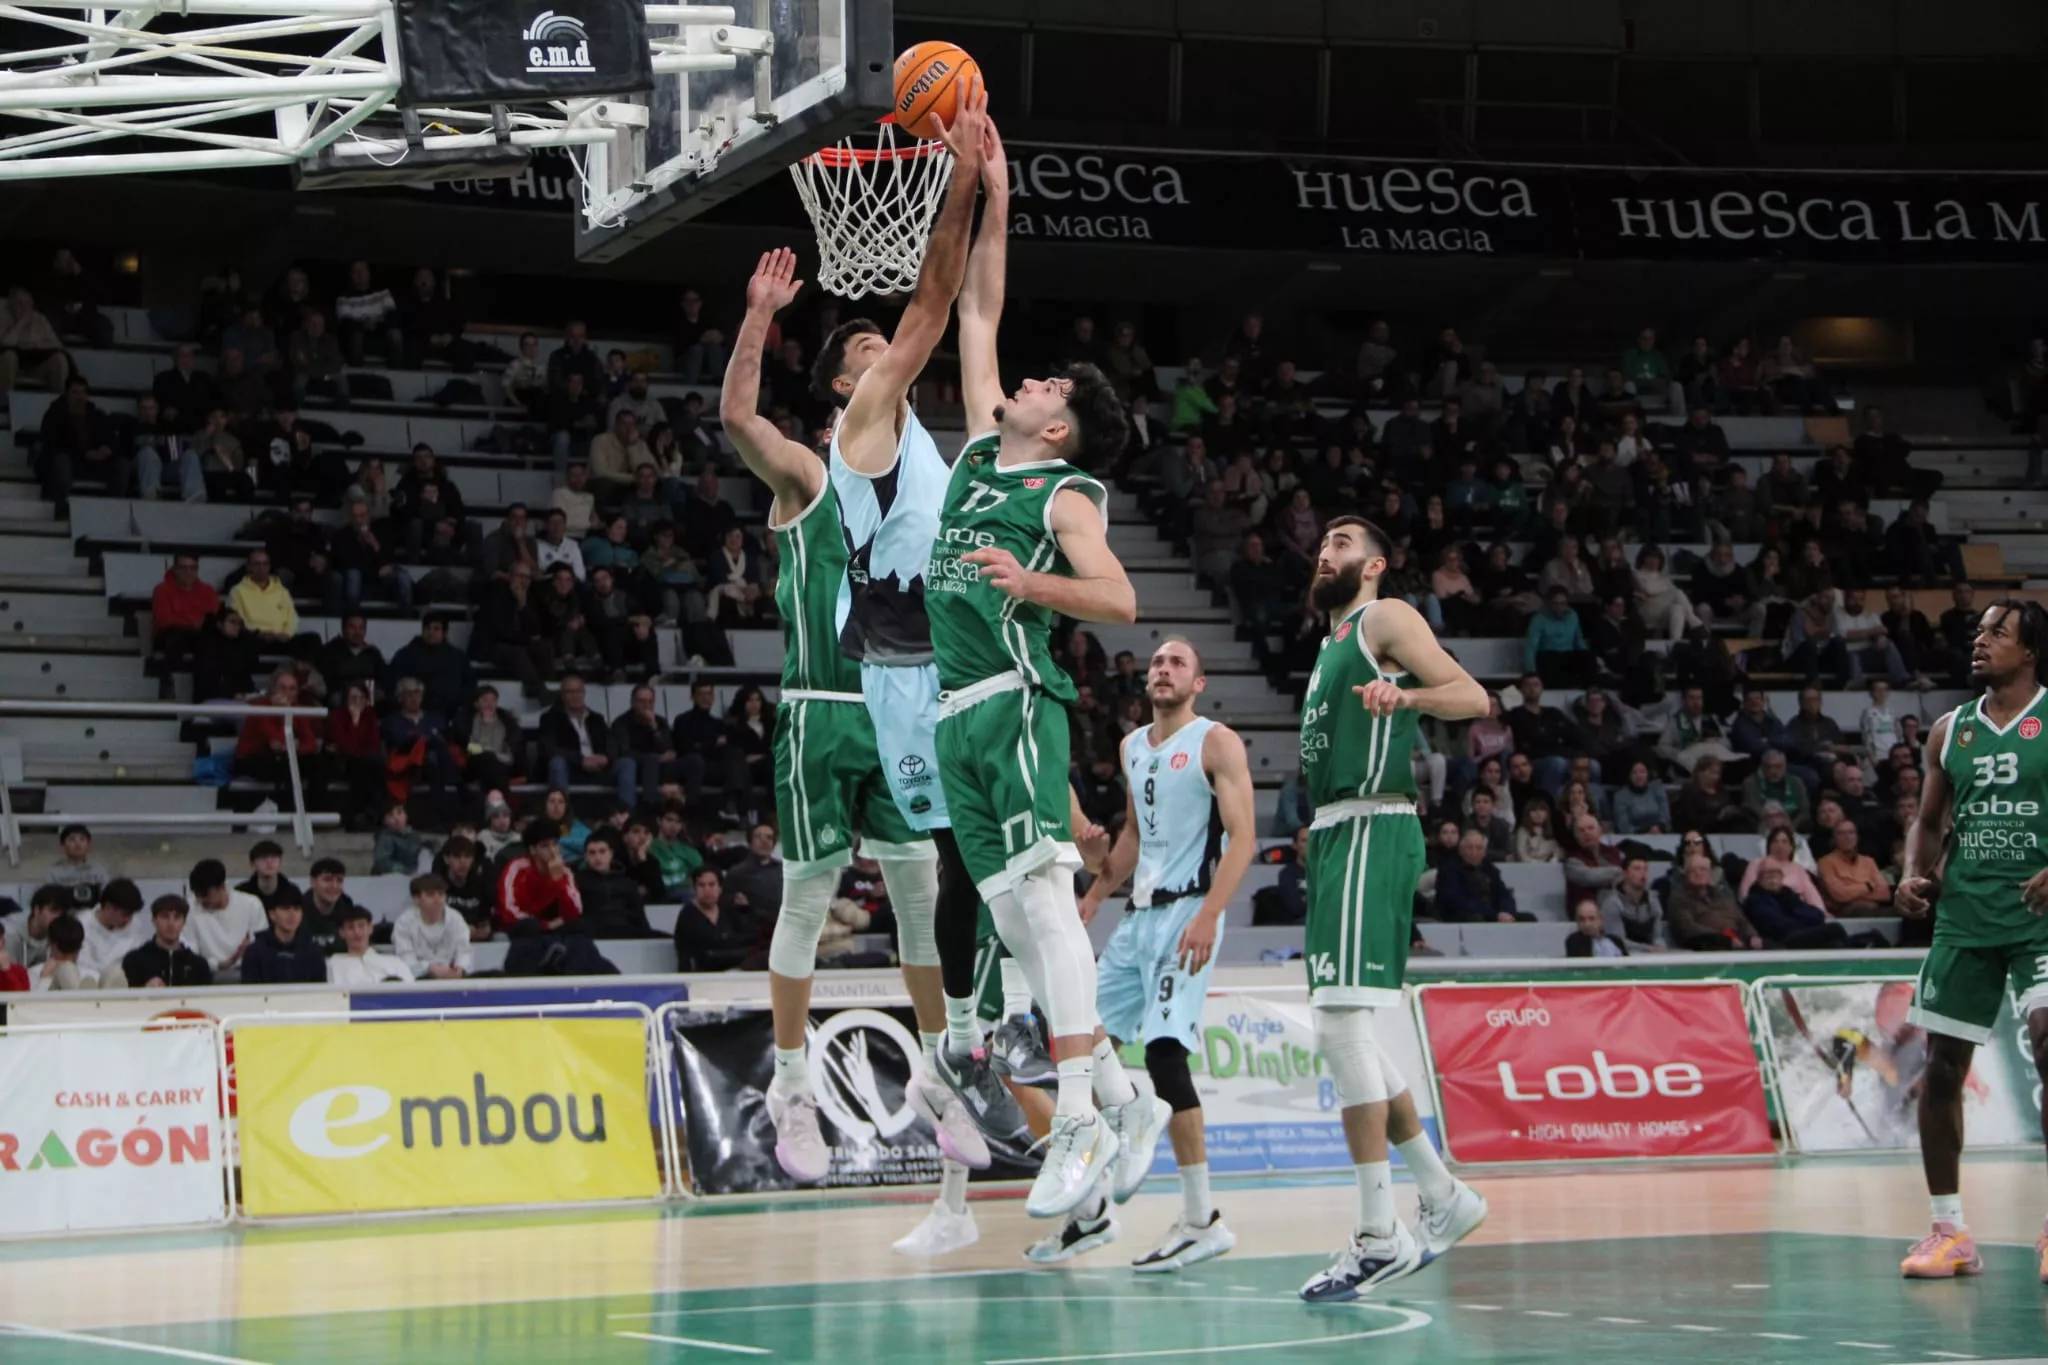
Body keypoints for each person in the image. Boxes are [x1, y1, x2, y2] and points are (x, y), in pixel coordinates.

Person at [930, 109, 1180, 1229]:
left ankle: (1079, 1111)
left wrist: (1027, 586)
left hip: (1019, 704)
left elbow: (1122, 600)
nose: (1024, 382)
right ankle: (1122, 1098)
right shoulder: (988, 443)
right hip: (953, 713)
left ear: (1064, 430)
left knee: (1045, 905)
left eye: (1046, 391)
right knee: (1021, 927)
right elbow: (977, 306)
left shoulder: (1064, 495)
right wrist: (990, 192)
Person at [720, 250, 985, 1224]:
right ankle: (790, 1084)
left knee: (921, 896)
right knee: (808, 896)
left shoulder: (922, 482)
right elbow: (737, 421)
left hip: (902, 707)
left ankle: (940, 1070)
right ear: (843, 385)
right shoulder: (808, 475)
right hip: (823, 714)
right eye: (869, 350)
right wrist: (757, 317)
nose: (891, 357)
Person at [1287, 516, 1490, 1301]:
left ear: (1374, 565)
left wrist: (1402, 692)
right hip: (1340, 833)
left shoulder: (1383, 617)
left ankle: (1378, 1232)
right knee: (1354, 1031)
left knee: (1342, 1027)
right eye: (1323, 543)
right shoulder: (1332, 643)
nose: (1325, 551)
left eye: (1341, 542)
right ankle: (1443, 1194)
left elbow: (1472, 695)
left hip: (1374, 824)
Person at [1049, 638, 1256, 1272]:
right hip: (1137, 919)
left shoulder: (1217, 741)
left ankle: (1201, 1220)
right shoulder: (1133, 746)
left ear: (1198, 682)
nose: (1163, 670)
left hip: (1190, 913)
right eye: (1157, 662)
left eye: (1177, 664)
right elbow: (1136, 834)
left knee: (1167, 1056)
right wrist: (1096, 891)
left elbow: (1243, 838)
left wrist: (1210, 914)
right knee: (1075, 1034)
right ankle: (1093, 1209)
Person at [1894, 598, 2048, 1278]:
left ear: (2031, 650)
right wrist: (1911, 873)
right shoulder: (1948, 730)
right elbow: (1928, 821)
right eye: (1979, 631)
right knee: (1943, 1070)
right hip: (1965, 916)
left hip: (2038, 919)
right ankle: (1949, 1229)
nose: (1979, 641)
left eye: (1997, 632)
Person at [183, 857, 265, 983]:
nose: (200, 901)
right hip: (206, 974)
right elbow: (189, 952)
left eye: (205, 895)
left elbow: (261, 947)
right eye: (197, 895)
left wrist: (238, 960)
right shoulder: (190, 909)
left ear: (222, 887)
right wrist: (219, 964)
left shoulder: (251, 904)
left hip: (246, 973)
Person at [1665, 854, 1762, 952]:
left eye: (1703, 869)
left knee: (1768, 945)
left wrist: (1752, 936)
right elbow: (1688, 928)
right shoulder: (1678, 898)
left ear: (1710, 873)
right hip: (1705, 944)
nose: (1698, 873)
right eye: (1693, 870)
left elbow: (1742, 921)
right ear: (1686, 874)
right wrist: (1725, 938)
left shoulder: (1722, 895)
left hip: (1736, 939)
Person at [1743, 861, 1846, 950]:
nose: (1773, 880)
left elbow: (1817, 915)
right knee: (1835, 929)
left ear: (1782, 877)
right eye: (1768, 876)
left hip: (1801, 933)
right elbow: (1777, 926)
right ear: (1759, 880)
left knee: (1838, 944)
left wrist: (1794, 913)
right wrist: (1800, 918)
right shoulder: (1756, 899)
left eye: (1776, 875)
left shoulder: (1788, 894)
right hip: (1780, 942)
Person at [119, 896, 213, 989]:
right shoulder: (134, 960)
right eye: (165, 916)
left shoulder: (198, 965)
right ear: (154, 920)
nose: (171, 923)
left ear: (184, 922)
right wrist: (144, 990)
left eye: (177, 917)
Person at [240, 888, 330, 984]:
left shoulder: (313, 951)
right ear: (272, 914)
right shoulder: (255, 952)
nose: (292, 914)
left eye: (296, 909)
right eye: (285, 908)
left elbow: (320, 991)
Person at [392, 874, 472, 980]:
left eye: (441, 894)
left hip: (452, 977)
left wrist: (459, 968)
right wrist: (429, 968)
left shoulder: (456, 919)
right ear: (416, 899)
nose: (437, 899)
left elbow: (464, 950)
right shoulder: (404, 922)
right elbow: (405, 957)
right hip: (417, 980)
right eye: (431, 895)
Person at [673, 867, 751, 971]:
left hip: (733, 971)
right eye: (701, 885)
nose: (707, 890)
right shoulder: (687, 915)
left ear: (720, 888)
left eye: (711, 884)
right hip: (699, 974)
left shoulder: (729, 911)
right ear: (694, 889)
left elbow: (744, 939)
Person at [78, 879, 148, 985]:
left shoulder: (135, 925)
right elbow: (81, 964)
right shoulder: (82, 924)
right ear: (108, 907)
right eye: (125, 914)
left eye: (131, 915)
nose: (129, 920)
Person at [325, 902, 414, 986]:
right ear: (342, 933)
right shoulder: (333, 965)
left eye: (361, 926)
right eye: (350, 928)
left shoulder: (394, 962)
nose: (357, 932)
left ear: (370, 928)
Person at [1599, 856, 1665, 947]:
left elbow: (1657, 936)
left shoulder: (1653, 900)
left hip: (1650, 955)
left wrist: (1659, 946)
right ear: (1625, 873)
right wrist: (1647, 948)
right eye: (1637, 869)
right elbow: (1618, 942)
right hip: (1623, 957)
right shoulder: (1612, 903)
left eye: (1645, 869)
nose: (1643, 873)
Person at [46, 822, 109, 904]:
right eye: (72, 839)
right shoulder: (53, 873)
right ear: (63, 846)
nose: (78, 844)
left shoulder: (98, 871)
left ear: (89, 845)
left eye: (82, 839)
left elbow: (107, 899)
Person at [33, 915, 91, 991]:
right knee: (66, 970)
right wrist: (45, 979)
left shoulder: (89, 974)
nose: (65, 961)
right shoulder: (34, 974)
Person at [371, 800, 425, 875]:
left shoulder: (414, 835)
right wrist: (404, 870)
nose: (396, 818)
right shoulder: (385, 837)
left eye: (399, 813)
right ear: (384, 821)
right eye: (390, 815)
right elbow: (381, 862)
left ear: (406, 815)